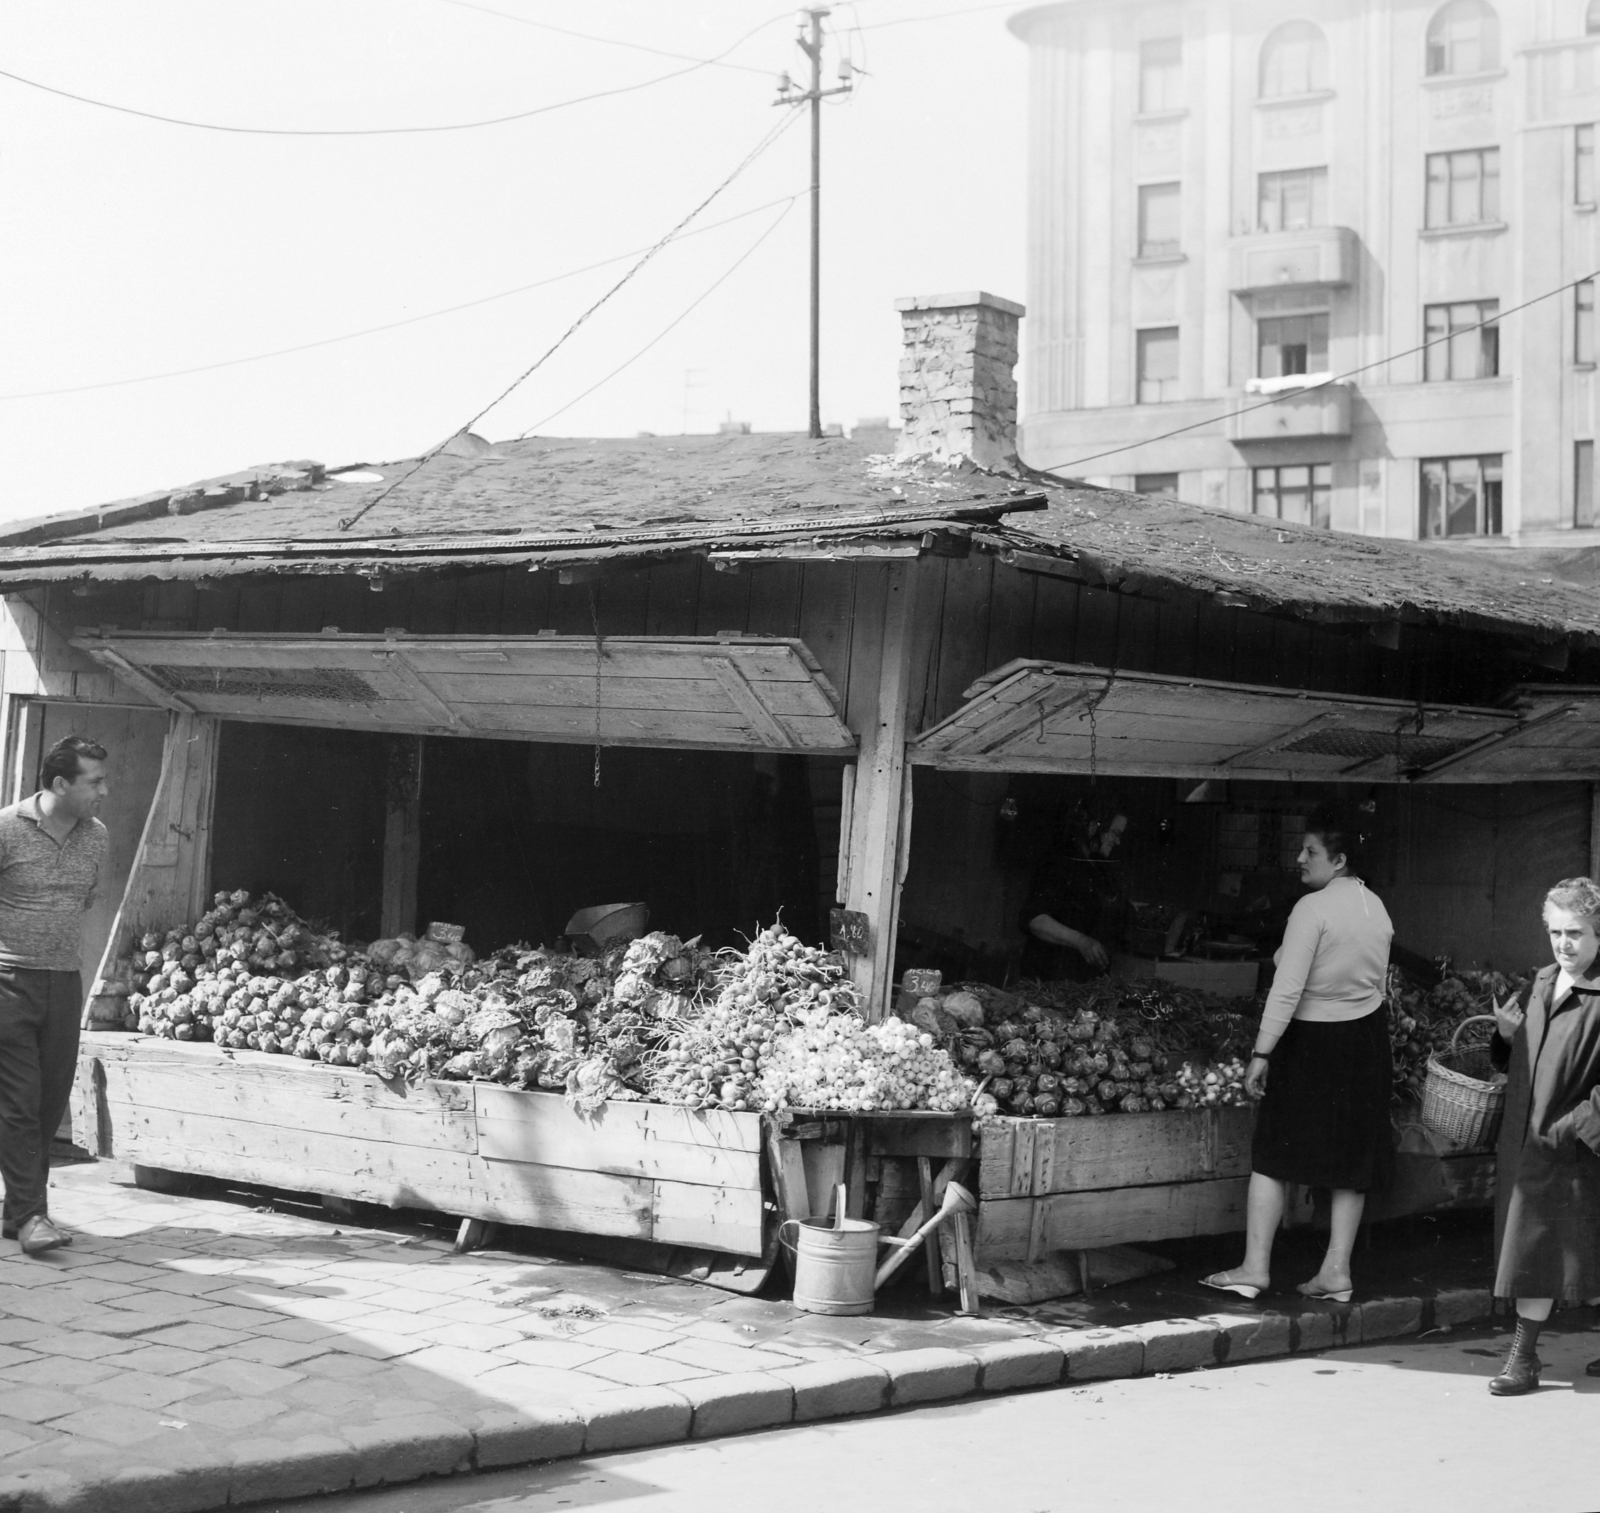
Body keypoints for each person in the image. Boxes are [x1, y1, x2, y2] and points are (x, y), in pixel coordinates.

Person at [1200, 803, 1393, 1302]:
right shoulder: (1376, 907)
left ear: (1341, 859)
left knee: (1272, 1154)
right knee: (1352, 1157)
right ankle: (1336, 1272)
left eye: (1311, 851)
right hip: (1367, 1040)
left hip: (1311, 1042)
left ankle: (1254, 1268)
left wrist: (1262, 1051)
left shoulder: (1311, 908)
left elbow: (1286, 988)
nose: (1300, 858)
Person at [1482, 876, 1600, 1396]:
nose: (1563, 943)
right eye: (1555, 932)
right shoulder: (1542, 982)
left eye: (1575, 932)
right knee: (1536, 1247)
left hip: (1572, 1147)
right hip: (1528, 1142)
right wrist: (1506, 1038)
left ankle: (1522, 1358)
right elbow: (1528, 1058)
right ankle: (1523, 1359)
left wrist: (1577, 1127)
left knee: (1553, 1249)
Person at [0, 737, 109, 1256]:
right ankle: (31, 1217)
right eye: (95, 782)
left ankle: (16, 1211)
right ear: (60, 784)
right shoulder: (5, 829)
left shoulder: (96, 837)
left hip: (64, 980)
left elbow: (85, 898)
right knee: (18, 1102)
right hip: (7, 982)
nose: (103, 791)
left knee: (47, 1104)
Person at [1018, 805, 1128, 981]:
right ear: (1094, 827)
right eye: (1115, 832)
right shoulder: (1059, 863)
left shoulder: (1101, 869)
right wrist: (1081, 942)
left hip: (1082, 979)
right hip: (1049, 977)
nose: (1117, 841)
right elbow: (1034, 919)